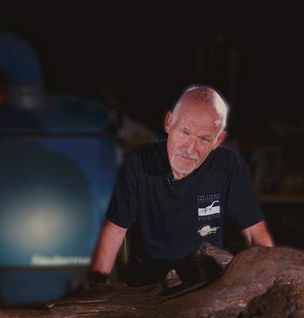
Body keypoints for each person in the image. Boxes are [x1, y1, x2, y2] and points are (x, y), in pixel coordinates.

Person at [88, 85, 273, 285]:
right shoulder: (139, 163)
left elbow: (256, 234)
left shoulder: (228, 165)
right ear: (169, 123)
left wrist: (272, 284)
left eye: (204, 139)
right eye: (185, 132)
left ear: (218, 140)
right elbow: (115, 231)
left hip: (205, 286)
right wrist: (94, 290)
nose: (190, 149)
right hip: (146, 287)